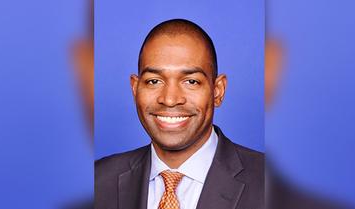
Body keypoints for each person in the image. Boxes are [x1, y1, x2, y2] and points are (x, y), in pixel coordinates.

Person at [95, 19, 264, 209]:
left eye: (191, 81)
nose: (169, 99)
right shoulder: (98, 181)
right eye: (154, 81)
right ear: (135, 89)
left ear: (218, 91)